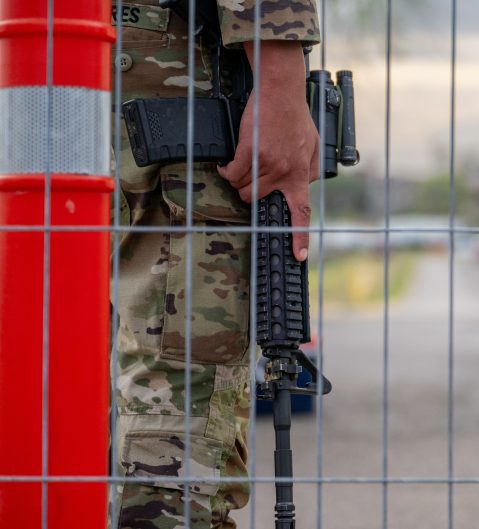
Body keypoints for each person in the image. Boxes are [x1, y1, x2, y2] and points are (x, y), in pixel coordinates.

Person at [112, 1, 321, 526]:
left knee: (52, 414)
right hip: (170, 77)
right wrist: (279, 78)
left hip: (43, 76)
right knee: (172, 438)